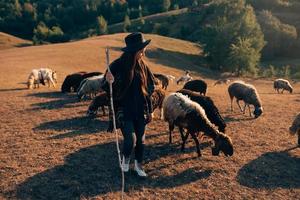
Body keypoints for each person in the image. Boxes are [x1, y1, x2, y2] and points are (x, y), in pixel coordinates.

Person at [102, 32, 155, 177]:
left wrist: (150, 110)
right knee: (131, 140)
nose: (144, 52)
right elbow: (105, 85)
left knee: (141, 141)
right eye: (142, 50)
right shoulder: (117, 65)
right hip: (124, 110)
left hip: (140, 109)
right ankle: (125, 160)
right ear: (135, 50)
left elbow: (149, 89)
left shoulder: (143, 66)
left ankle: (138, 166)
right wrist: (109, 80)